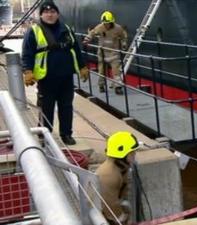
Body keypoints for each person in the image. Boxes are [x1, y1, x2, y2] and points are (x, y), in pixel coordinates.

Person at [21, 1, 89, 145]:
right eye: (46, 12)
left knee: (66, 106)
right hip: (47, 77)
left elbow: (76, 48)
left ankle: (66, 134)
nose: (50, 15)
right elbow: (27, 53)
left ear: (57, 14)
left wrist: (82, 66)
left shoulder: (66, 29)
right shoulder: (34, 31)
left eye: (53, 12)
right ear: (41, 15)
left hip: (66, 75)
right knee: (47, 107)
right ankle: (44, 134)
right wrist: (27, 71)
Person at [95, 131, 139, 225]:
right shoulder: (109, 175)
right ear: (123, 154)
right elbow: (110, 209)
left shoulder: (120, 168)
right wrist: (123, 219)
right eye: (132, 152)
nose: (135, 154)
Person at [83, 11, 128, 95]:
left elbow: (123, 37)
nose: (106, 25)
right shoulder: (100, 27)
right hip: (102, 52)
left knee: (116, 71)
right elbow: (92, 33)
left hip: (114, 53)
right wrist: (87, 39)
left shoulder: (118, 28)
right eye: (105, 23)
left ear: (112, 22)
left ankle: (118, 87)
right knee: (101, 70)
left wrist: (124, 44)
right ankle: (101, 85)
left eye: (108, 23)